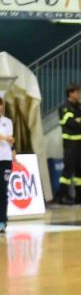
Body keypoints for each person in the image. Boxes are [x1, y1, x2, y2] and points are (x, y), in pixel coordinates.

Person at [55, 84, 81, 206]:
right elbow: (70, 123)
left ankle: (80, 196)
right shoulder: (65, 108)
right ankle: (63, 195)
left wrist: (79, 120)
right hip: (70, 144)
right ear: (70, 93)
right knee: (68, 169)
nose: (79, 94)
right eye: (77, 92)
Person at [0, 98, 14, 234]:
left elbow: (11, 139)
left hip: (5, 160)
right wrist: (5, 138)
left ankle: (2, 221)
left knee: (3, 190)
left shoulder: (7, 122)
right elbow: (6, 138)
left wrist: (9, 141)